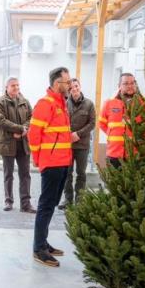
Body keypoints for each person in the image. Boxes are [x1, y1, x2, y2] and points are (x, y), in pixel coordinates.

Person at [28, 67, 73, 267]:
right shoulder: (45, 104)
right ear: (57, 84)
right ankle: (38, 249)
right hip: (52, 163)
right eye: (67, 81)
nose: (70, 84)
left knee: (52, 204)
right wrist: (39, 159)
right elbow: (33, 134)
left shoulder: (61, 104)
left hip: (63, 162)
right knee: (46, 205)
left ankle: (43, 243)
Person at [0, 77, 36, 213]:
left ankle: (26, 204)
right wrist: (19, 129)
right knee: (8, 174)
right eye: (13, 86)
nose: (16, 88)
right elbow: (1, 121)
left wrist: (23, 129)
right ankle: (8, 201)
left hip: (23, 143)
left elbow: (32, 118)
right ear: (6, 87)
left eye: (17, 85)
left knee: (25, 174)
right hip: (8, 143)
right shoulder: (0, 102)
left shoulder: (25, 102)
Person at [99, 73, 145, 168]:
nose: (130, 86)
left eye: (132, 83)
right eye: (126, 83)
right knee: (113, 182)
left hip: (137, 154)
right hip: (114, 153)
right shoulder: (109, 103)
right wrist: (113, 134)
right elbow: (102, 123)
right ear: (119, 86)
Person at [59, 78, 95, 210]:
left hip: (82, 145)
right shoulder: (64, 104)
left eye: (76, 86)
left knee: (81, 173)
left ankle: (79, 200)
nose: (74, 89)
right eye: (71, 88)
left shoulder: (89, 104)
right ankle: (67, 199)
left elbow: (92, 123)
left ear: (80, 86)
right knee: (67, 174)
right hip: (67, 146)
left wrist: (77, 134)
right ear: (69, 90)